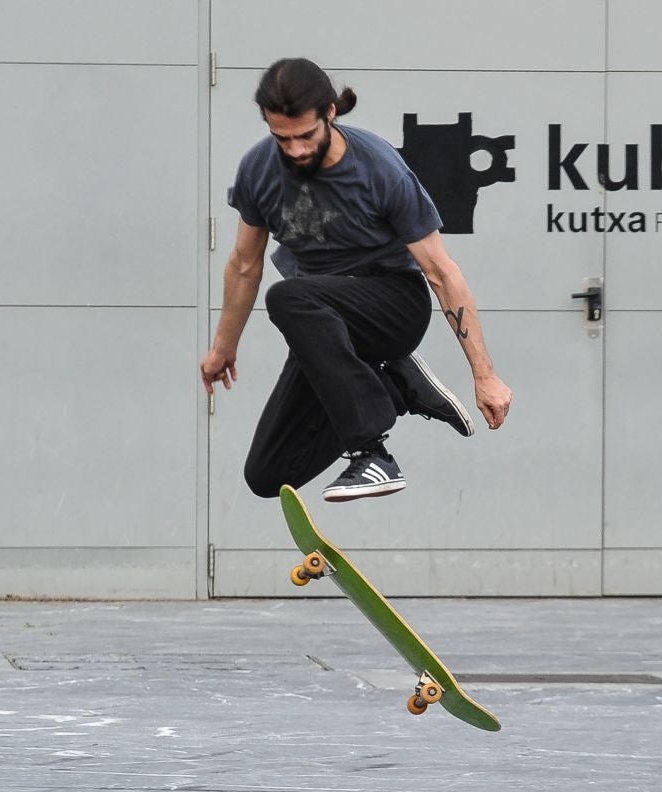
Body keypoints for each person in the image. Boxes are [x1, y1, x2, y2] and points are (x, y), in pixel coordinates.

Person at [199, 57, 511, 501]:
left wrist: (485, 375)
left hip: (392, 305)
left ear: (330, 112)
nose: (296, 151)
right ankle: (395, 385)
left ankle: (371, 453)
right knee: (268, 475)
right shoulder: (258, 170)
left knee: (287, 297)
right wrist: (222, 347)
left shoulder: (379, 168)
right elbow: (244, 264)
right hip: (324, 322)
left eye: (306, 136)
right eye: (282, 139)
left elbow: (441, 271)